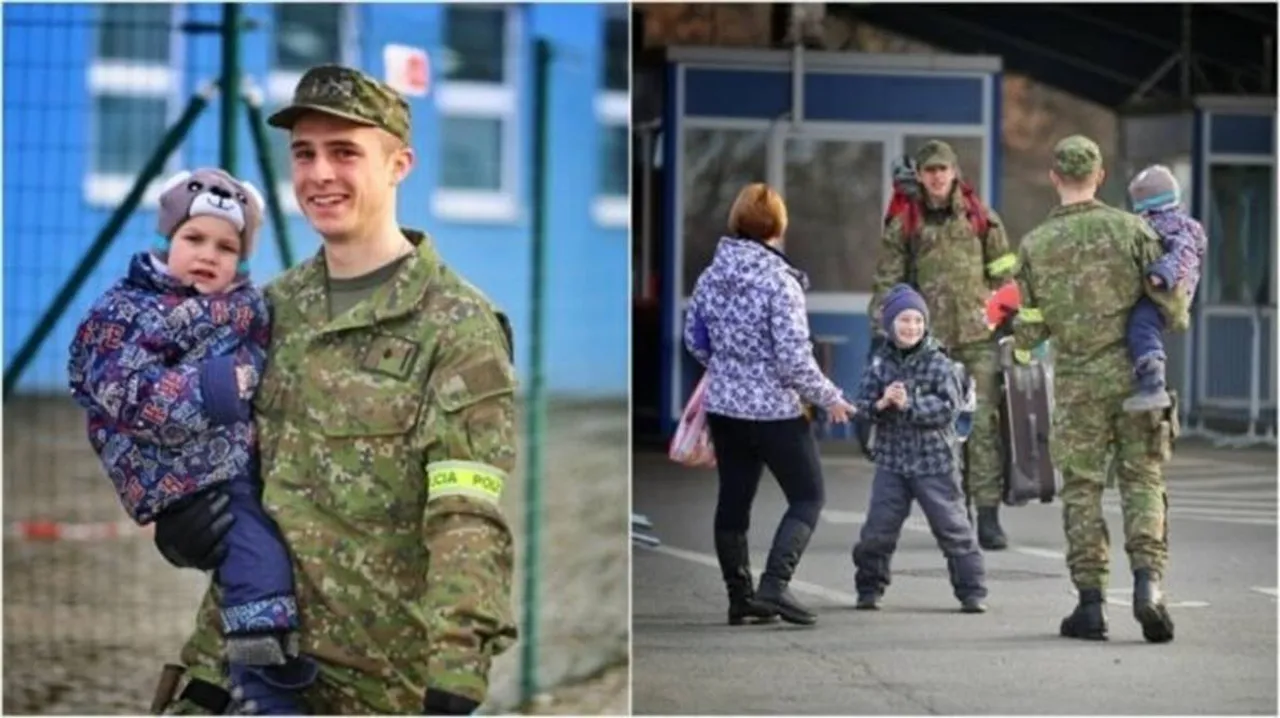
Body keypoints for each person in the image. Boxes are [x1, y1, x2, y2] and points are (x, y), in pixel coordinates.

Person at [148, 65, 519, 714]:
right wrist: (181, 515)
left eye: (345, 152)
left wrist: (453, 683)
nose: (320, 173)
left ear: (399, 164)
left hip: (375, 686)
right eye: (305, 153)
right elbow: (224, 465)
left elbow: (468, 514)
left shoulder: (457, 326)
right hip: (242, 662)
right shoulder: (270, 309)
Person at [68, 167, 318, 713]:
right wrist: (218, 386)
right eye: (194, 238)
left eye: (227, 247)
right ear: (165, 242)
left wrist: (243, 373)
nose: (209, 254)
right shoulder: (126, 310)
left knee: (263, 552)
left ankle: (258, 666)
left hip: (227, 463)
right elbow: (122, 390)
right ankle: (262, 679)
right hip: (171, 469)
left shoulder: (244, 308)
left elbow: (254, 357)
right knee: (259, 556)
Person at [988, 135, 1183, 643]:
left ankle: (1090, 605)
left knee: (1082, 491)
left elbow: (1029, 333)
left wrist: (1025, 340)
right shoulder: (1134, 230)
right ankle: (1149, 588)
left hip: (1076, 386)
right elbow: (1173, 306)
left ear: (1055, 178)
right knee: (1142, 482)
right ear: (1100, 176)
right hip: (1137, 382)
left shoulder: (1033, 246)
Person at [684, 182, 856, 627]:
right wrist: (831, 398)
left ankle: (740, 598)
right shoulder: (781, 282)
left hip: (725, 409)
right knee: (807, 496)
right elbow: (794, 360)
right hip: (775, 411)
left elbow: (694, 340)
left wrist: (729, 371)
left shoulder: (709, 276)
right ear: (778, 225)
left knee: (733, 500)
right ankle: (775, 586)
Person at [869, 140, 1018, 551]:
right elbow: (888, 280)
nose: (936, 177)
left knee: (983, 427)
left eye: (942, 169)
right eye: (929, 170)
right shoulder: (907, 222)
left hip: (977, 338)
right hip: (930, 345)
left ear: (955, 173)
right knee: (942, 431)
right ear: (919, 175)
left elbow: (1004, 272)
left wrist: (1013, 319)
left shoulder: (980, 217)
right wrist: (883, 330)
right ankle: (958, 515)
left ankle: (988, 516)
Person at [850, 284, 988, 614]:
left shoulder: (940, 363)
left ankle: (972, 591)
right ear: (890, 326)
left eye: (917, 321)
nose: (911, 327)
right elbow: (862, 405)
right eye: (903, 321)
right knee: (877, 531)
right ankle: (869, 587)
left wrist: (909, 403)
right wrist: (882, 403)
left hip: (935, 462)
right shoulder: (880, 363)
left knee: (953, 529)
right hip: (892, 462)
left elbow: (948, 409)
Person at [1121, 164, 1207, 412]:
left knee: (1142, 326)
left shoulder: (1175, 225)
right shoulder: (1164, 223)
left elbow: (1184, 254)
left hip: (1168, 293)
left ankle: (1153, 383)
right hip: (1160, 292)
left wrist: (1163, 273)